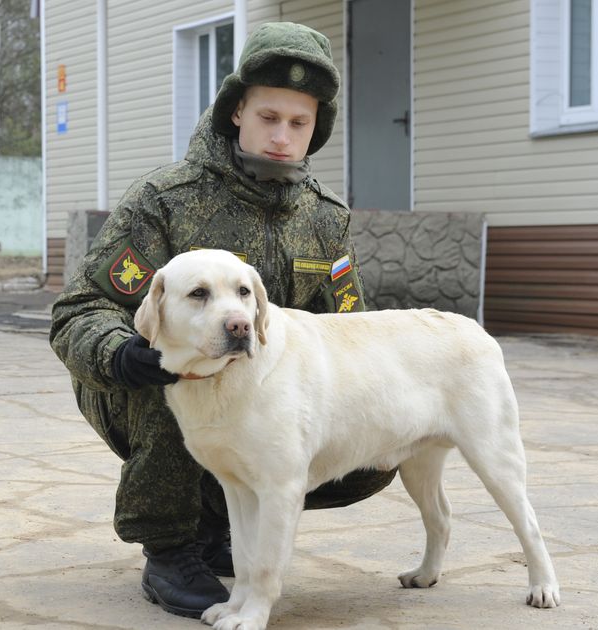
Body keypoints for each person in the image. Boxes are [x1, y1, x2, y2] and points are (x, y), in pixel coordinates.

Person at [49, 22, 397, 619]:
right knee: (184, 374)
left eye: (299, 122)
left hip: (256, 394)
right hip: (138, 387)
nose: (282, 136)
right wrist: (123, 354)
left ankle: (219, 522)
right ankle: (169, 548)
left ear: (317, 127)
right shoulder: (167, 198)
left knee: (370, 448)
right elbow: (79, 309)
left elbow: (348, 325)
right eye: (268, 117)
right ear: (236, 112)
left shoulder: (326, 218)